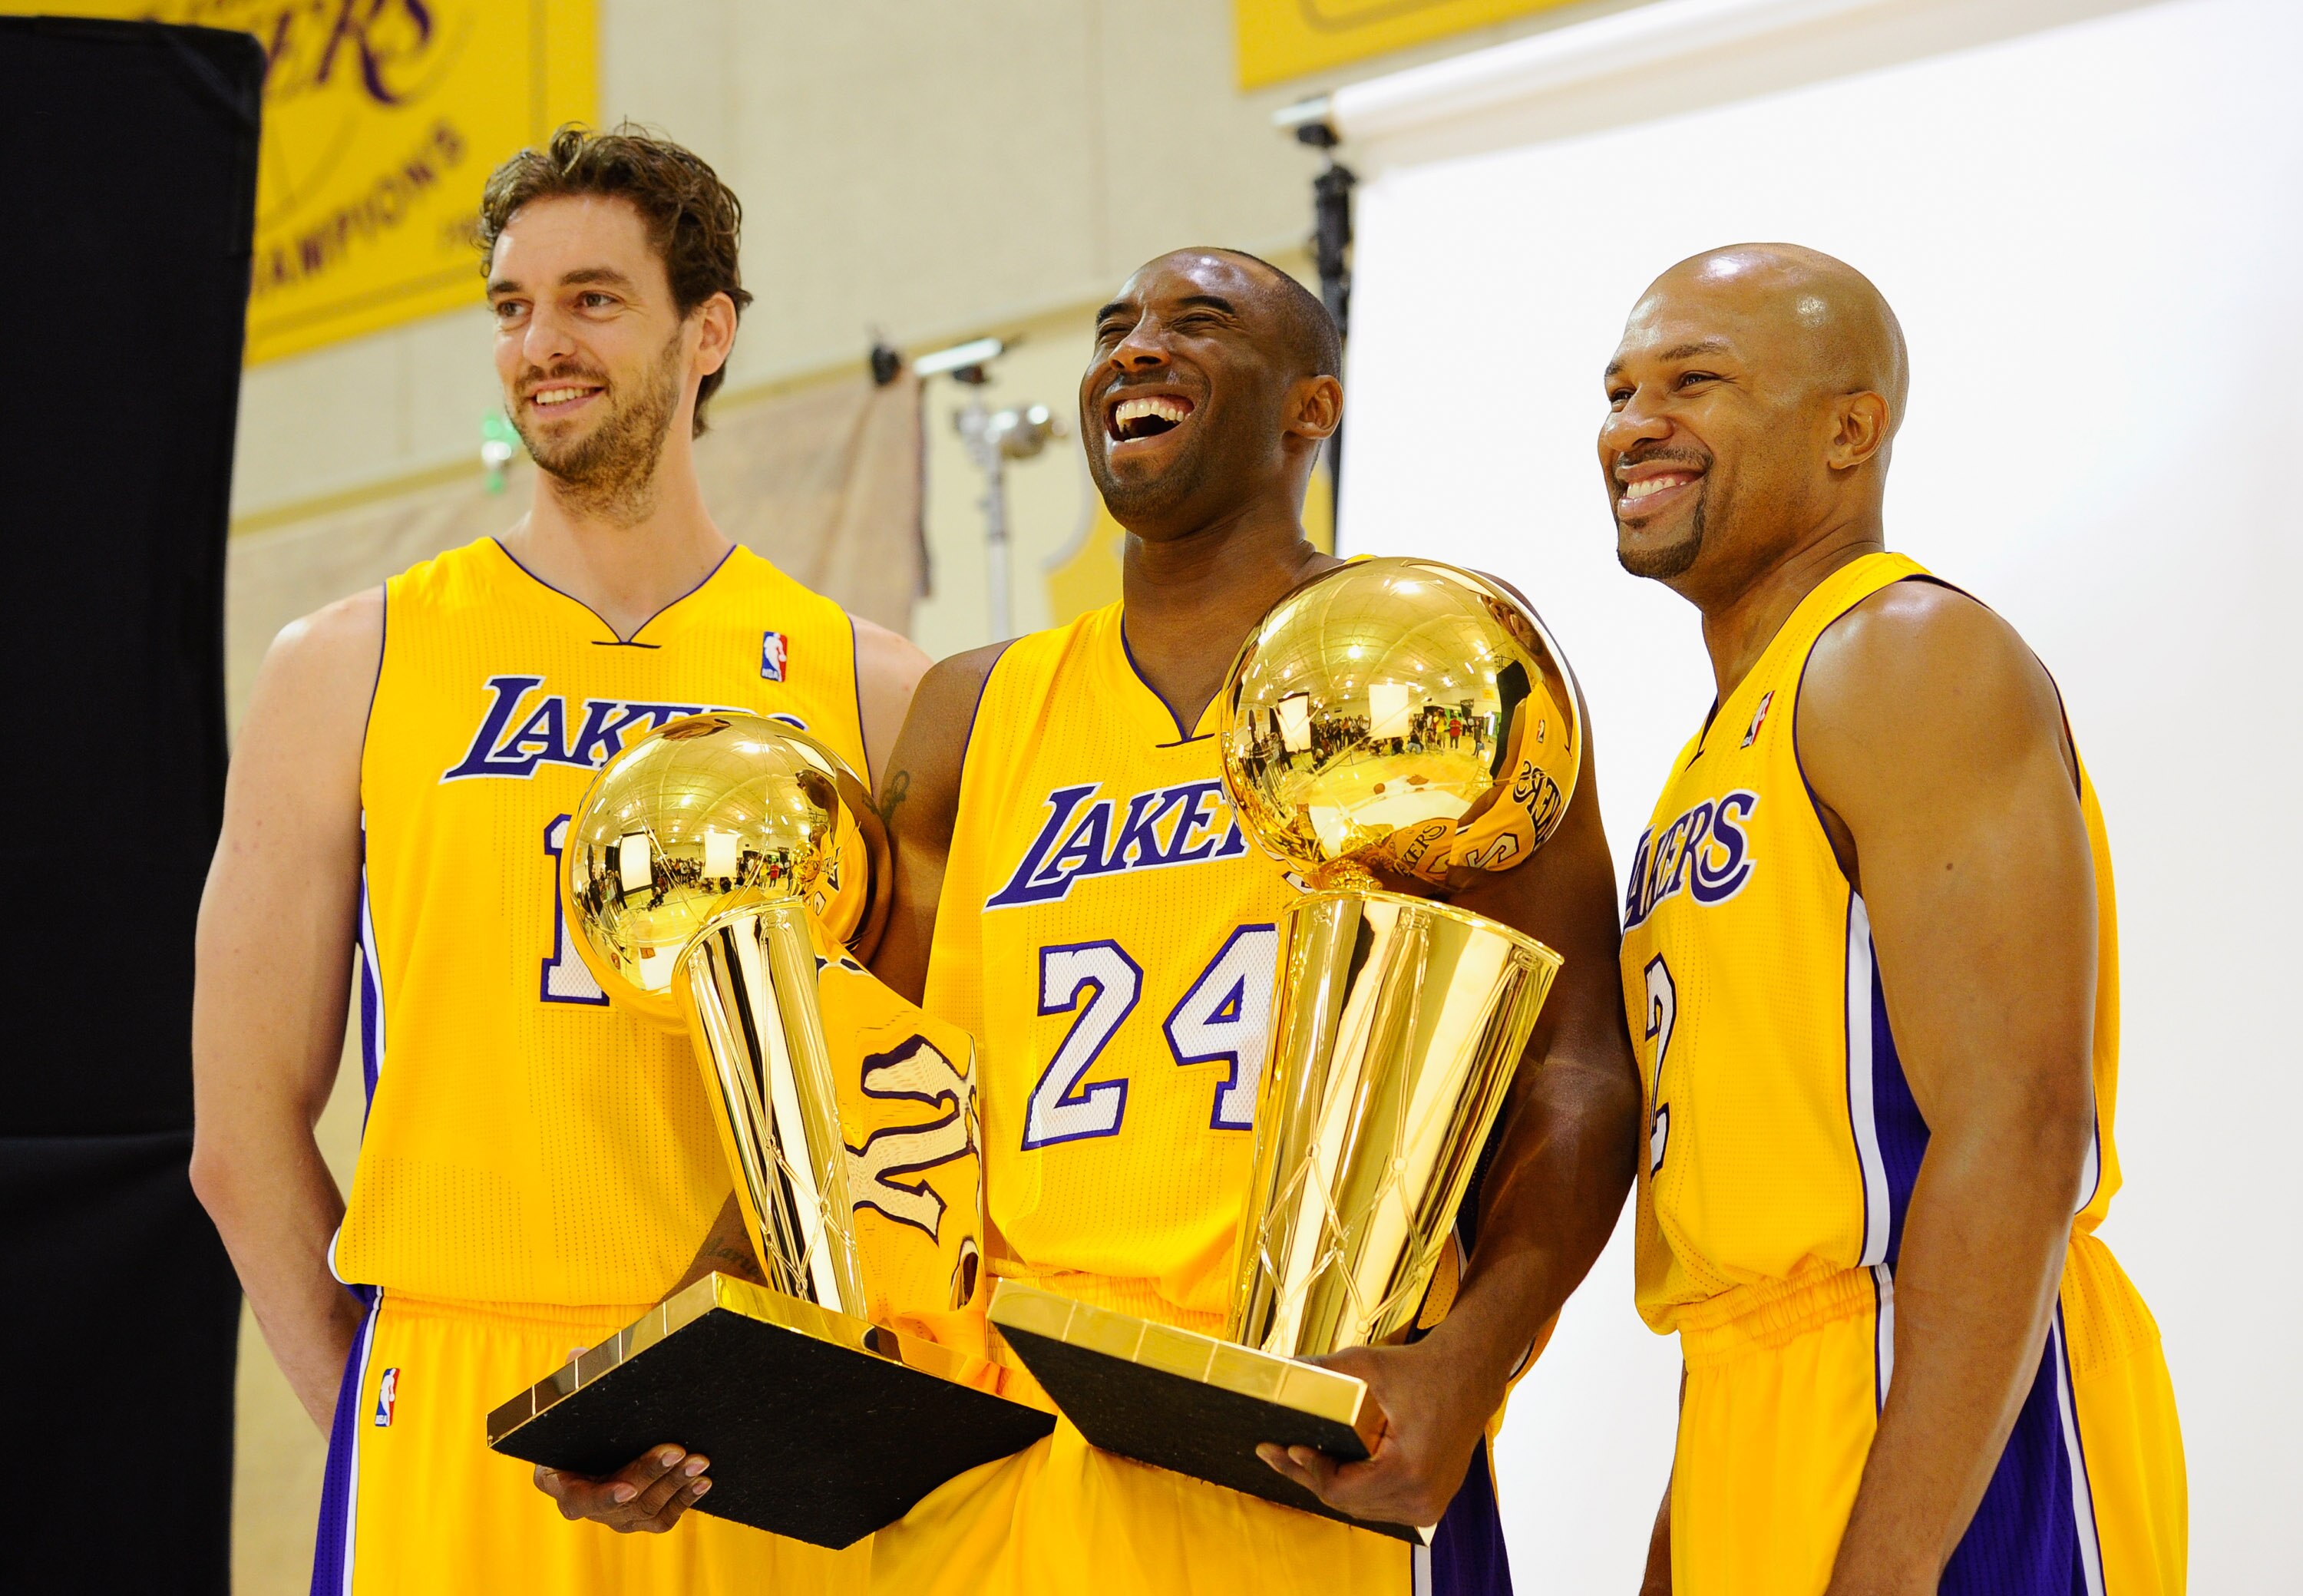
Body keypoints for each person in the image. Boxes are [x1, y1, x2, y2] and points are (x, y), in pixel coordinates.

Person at [190, 125, 927, 1594]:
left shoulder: (872, 688)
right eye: (514, 306)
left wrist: (736, 1382)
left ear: (706, 333)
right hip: (452, 1391)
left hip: (742, 1401)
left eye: (594, 299)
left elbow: (902, 1112)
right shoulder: (351, 662)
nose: (543, 345)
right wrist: (362, 1412)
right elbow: (239, 1131)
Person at [871, 248, 1640, 1593]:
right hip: (1009, 1463)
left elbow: (1576, 1066)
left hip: (1311, 1435)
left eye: (1199, 323)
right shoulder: (970, 711)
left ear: (1312, 409)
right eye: (1115, 328)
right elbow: (861, 1076)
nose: (1137, 349)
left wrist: (1470, 1361)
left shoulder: (1437, 662)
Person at [1602, 244, 2186, 1595]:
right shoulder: (1713, 751)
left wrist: (1893, 1562)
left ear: (1850, 429)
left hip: (1951, 1414)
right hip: (1759, 1404)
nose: (1635, 422)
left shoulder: (1903, 653)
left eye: (1696, 380)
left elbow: (2019, 1129)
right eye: (1622, 388)